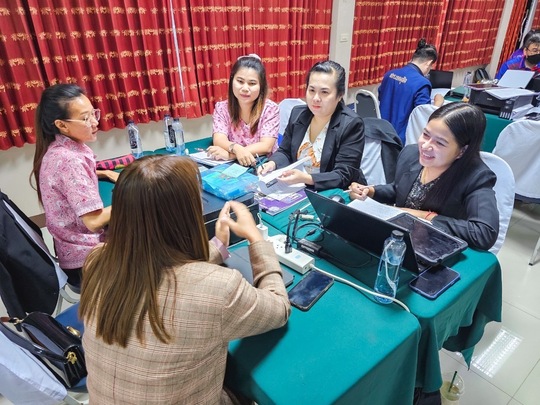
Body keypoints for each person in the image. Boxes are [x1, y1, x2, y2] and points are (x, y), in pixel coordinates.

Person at [79, 155, 290, 404]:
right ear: (186, 215)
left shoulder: (97, 259)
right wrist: (256, 239)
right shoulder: (219, 289)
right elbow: (278, 309)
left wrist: (218, 246)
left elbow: (160, 265)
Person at [349, 102, 499, 251]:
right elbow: (399, 190)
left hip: (435, 248)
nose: (426, 146)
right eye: (426, 134)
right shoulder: (410, 154)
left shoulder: (477, 177)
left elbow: (484, 233)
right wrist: (371, 191)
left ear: (462, 151)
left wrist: (425, 216)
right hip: (399, 239)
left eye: (440, 143)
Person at [31, 83, 118, 291]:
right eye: (85, 118)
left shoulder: (59, 148)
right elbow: (94, 222)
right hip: (86, 261)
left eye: (94, 113)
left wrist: (103, 173)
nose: (95, 122)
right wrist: (136, 197)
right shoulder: (69, 160)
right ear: (62, 125)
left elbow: (68, 179)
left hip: (70, 249)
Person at [259, 60, 365, 190]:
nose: (316, 98)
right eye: (312, 90)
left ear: (339, 95)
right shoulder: (298, 114)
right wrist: (273, 163)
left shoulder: (351, 124)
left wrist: (306, 178)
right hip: (298, 186)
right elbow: (285, 151)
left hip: (334, 191)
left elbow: (343, 175)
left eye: (324, 92)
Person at [207, 54, 279, 167]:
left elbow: (266, 146)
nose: (245, 88)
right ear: (232, 81)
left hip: (265, 165)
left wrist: (230, 155)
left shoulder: (271, 109)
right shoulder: (221, 108)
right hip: (234, 165)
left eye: (252, 83)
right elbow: (219, 140)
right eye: (240, 81)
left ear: (261, 86)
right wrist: (237, 149)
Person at [378, 39, 445, 144]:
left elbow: (381, 97)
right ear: (429, 63)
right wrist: (438, 103)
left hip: (381, 132)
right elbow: (423, 116)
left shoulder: (390, 74)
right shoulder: (422, 83)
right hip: (401, 139)